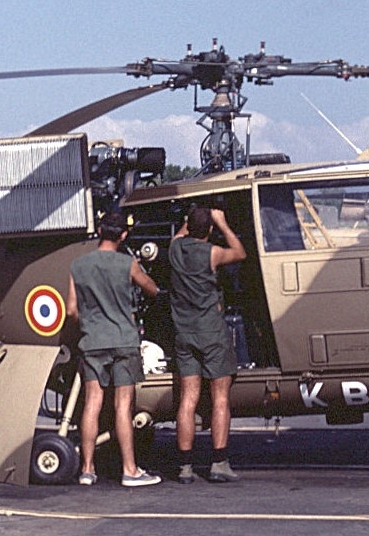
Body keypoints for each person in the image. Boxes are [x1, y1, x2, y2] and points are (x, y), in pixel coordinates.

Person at [67, 212, 161, 487]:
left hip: (92, 341)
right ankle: (130, 470)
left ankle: (87, 469)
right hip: (123, 341)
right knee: (123, 407)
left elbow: (72, 309)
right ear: (122, 235)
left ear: (99, 230)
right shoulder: (127, 263)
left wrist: (90, 323)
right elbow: (152, 289)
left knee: (92, 403)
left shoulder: (78, 266)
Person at [169, 205, 247, 483]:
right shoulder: (212, 252)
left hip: (185, 333)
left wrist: (188, 219)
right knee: (220, 398)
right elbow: (240, 252)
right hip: (212, 333)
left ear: (188, 227)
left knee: (188, 399)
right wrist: (223, 223)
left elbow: (179, 236)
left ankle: (185, 467)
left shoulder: (175, 249)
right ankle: (219, 462)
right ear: (210, 230)